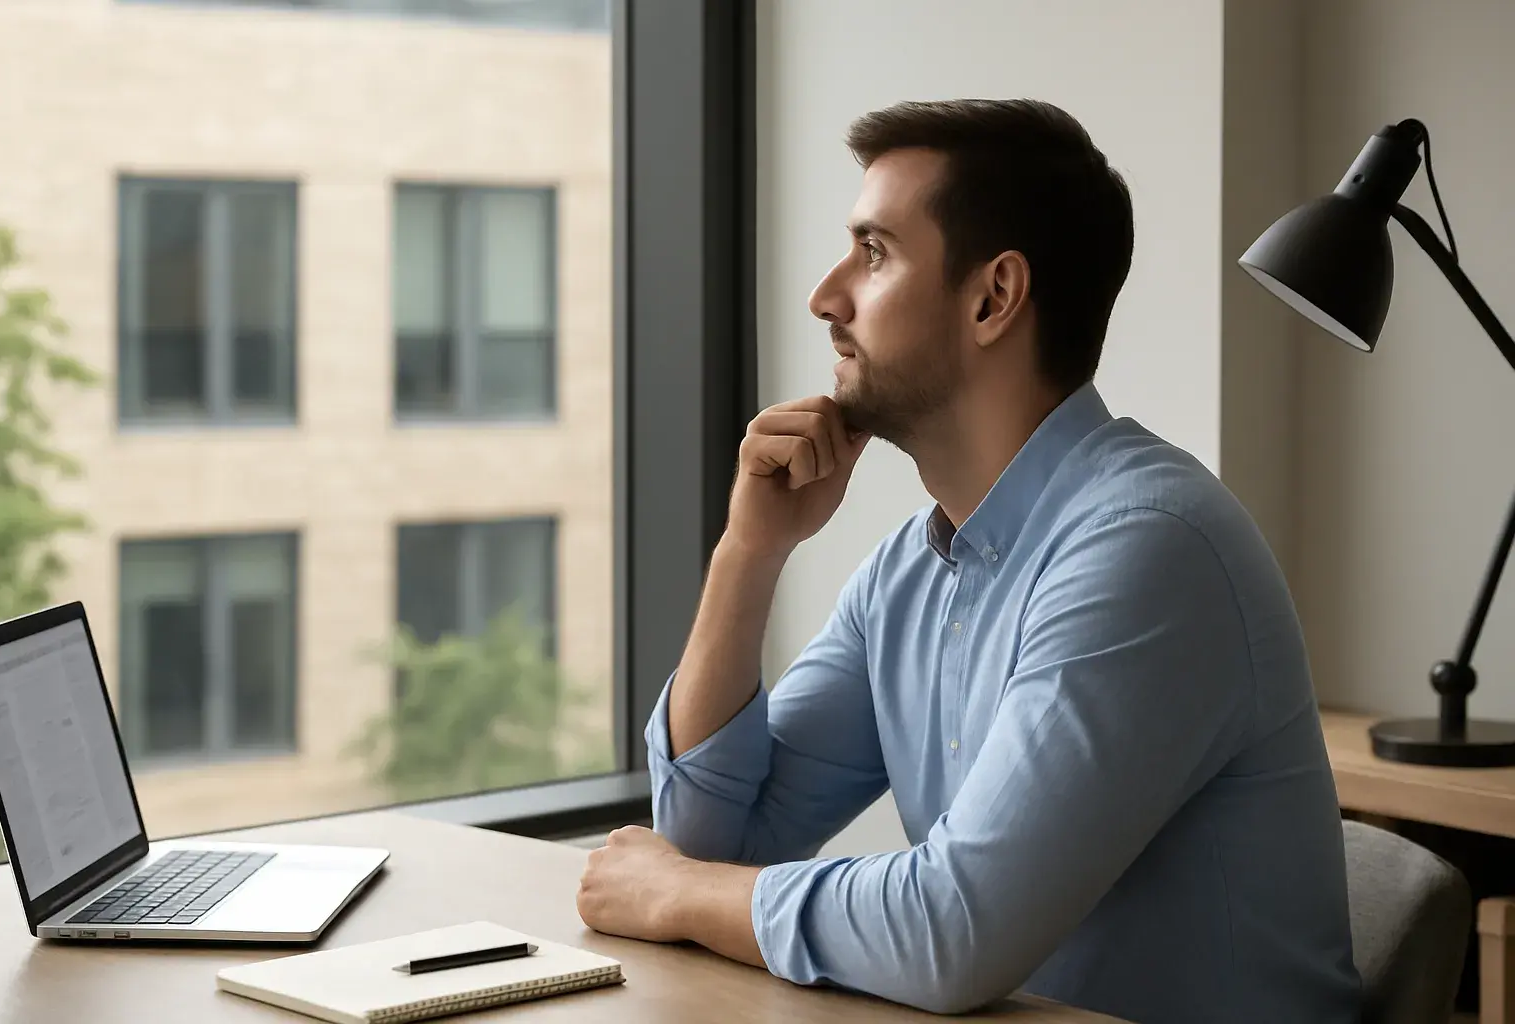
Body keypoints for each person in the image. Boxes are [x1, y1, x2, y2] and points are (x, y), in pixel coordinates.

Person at [576, 98, 1361, 1022]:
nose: (827, 296)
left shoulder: (1149, 550)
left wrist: (675, 895)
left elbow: (950, 933)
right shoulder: (911, 572)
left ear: (994, 298)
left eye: (874, 254)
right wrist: (749, 553)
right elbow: (713, 839)